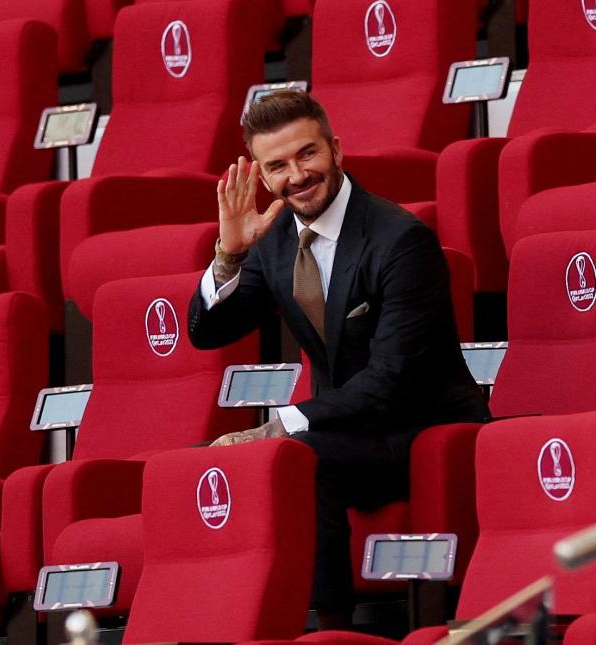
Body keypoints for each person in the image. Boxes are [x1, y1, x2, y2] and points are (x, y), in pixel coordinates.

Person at [187, 91, 489, 628]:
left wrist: (282, 424)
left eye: (307, 155)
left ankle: (331, 628)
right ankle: (227, 623)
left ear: (336, 149)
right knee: (216, 460)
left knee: (300, 456)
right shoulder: (278, 237)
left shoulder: (400, 241)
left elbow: (392, 379)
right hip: (348, 430)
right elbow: (209, 332)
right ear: (261, 174)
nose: (297, 176)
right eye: (277, 166)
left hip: (420, 427)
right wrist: (229, 252)